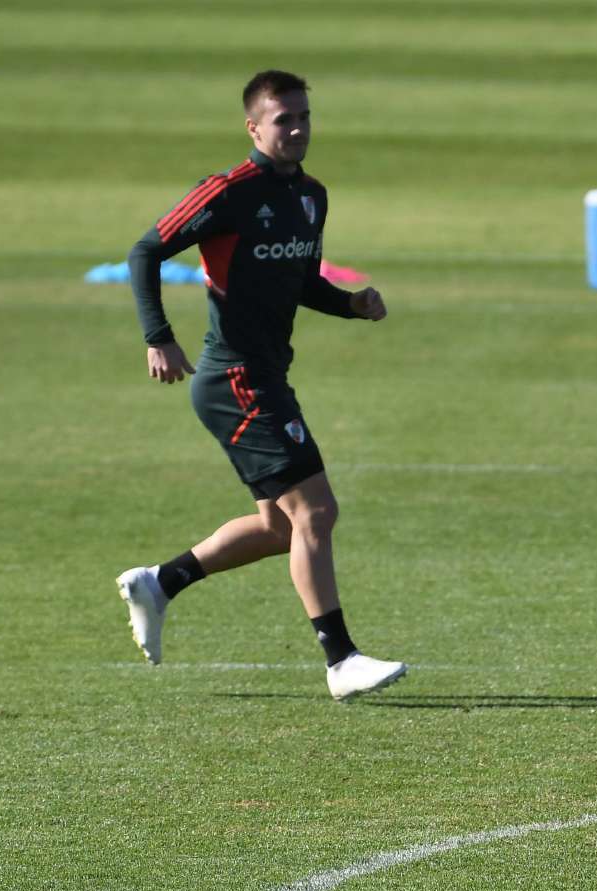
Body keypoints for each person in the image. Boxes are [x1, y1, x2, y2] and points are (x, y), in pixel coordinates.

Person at [117, 69, 405, 701]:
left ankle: (158, 584)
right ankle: (341, 660)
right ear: (253, 126)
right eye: (284, 119)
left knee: (280, 529)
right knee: (317, 512)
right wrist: (157, 335)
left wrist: (350, 305)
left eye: (304, 116)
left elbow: (301, 282)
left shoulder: (312, 197)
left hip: (269, 375)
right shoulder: (226, 192)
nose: (298, 128)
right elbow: (145, 251)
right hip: (233, 378)